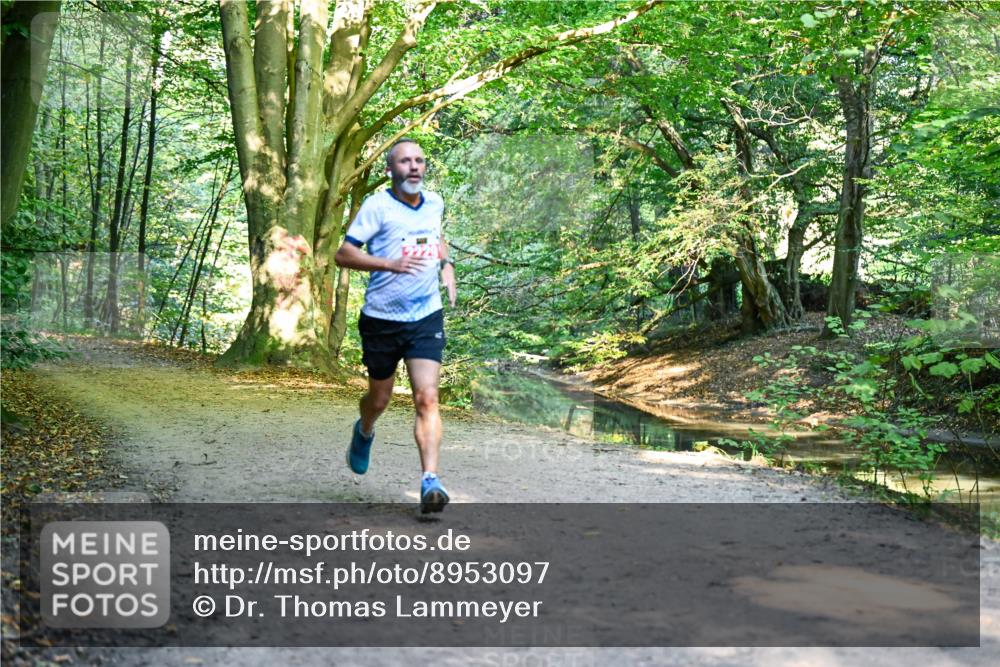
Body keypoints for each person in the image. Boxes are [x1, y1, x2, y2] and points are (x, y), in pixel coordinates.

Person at [334, 138, 457, 514]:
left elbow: (438, 239)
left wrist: (447, 265)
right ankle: (364, 430)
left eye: (419, 160)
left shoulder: (434, 202)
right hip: (382, 320)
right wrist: (390, 264)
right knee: (380, 400)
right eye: (405, 161)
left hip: (425, 316)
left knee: (427, 397)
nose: (415, 166)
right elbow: (344, 253)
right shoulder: (377, 207)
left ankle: (429, 481)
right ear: (391, 170)